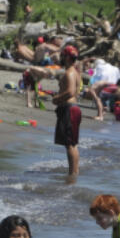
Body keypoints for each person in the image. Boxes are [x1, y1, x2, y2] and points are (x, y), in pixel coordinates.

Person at [52, 45, 82, 176]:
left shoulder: (69, 72)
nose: (61, 58)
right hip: (73, 109)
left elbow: (70, 92)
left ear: (68, 58)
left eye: (63, 56)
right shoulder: (76, 72)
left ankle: (72, 173)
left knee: (70, 144)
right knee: (72, 143)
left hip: (69, 109)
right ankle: (74, 171)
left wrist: (57, 99)